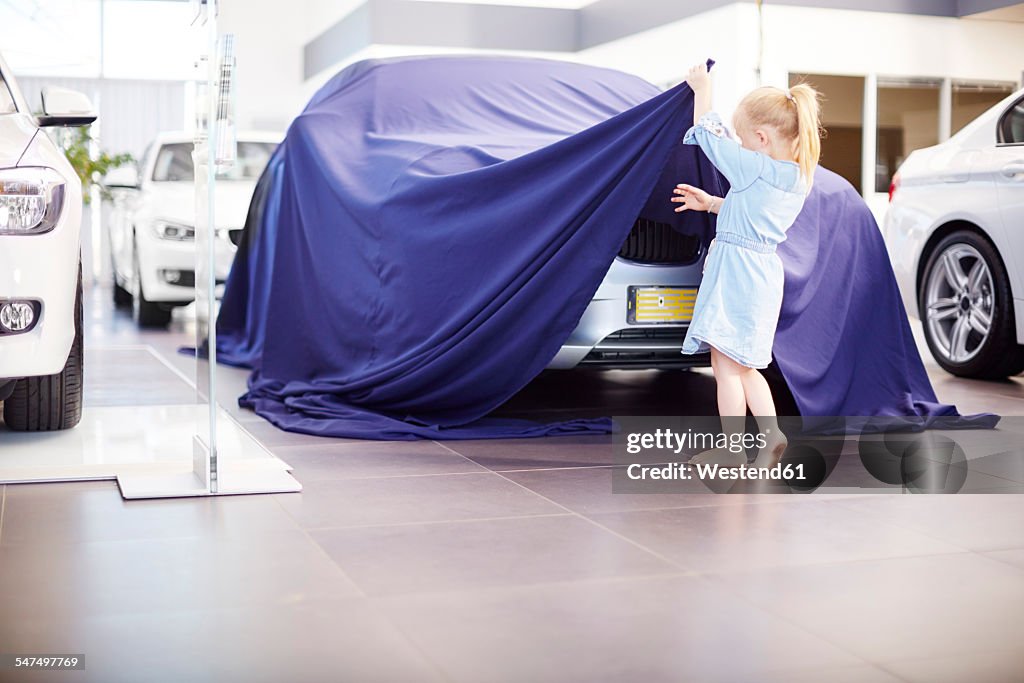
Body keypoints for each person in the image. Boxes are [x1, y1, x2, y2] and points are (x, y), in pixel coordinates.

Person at [671, 62, 822, 467]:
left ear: (761, 137)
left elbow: (708, 135)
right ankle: (771, 435)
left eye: (743, 138)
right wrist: (714, 202)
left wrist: (703, 88)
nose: (738, 144)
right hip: (762, 273)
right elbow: (753, 215)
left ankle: (733, 448)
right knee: (745, 366)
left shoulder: (755, 166)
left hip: (738, 274)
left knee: (725, 367)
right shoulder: (795, 177)